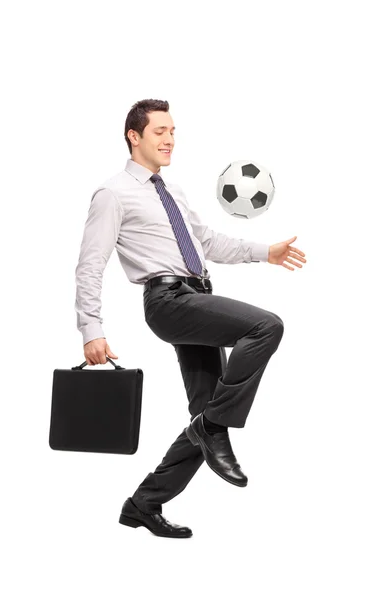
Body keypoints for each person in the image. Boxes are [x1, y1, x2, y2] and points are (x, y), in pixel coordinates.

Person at [74, 98, 307, 539]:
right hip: (168, 302)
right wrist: (92, 329)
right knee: (266, 326)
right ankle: (214, 426)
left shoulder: (172, 190)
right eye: (160, 131)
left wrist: (266, 253)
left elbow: (207, 244)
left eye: (173, 131)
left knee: (204, 416)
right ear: (134, 136)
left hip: (198, 296)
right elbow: (90, 264)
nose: (170, 140)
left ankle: (144, 504)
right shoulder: (112, 193)